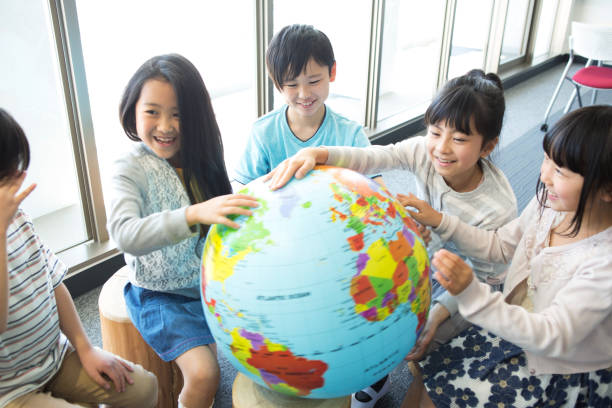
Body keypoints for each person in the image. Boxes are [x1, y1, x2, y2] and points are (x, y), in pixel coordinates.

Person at [267, 69, 518, 408]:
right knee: (367, 287)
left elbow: (485, 278)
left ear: (487, 146)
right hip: (431, 253)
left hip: (475, 287)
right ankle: (381, 375)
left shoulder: (498, 207)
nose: (441, 148)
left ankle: (417, 372)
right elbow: (374, 157)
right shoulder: (424, 152)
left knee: (423, 344)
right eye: (435, 132)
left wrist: (439, 313)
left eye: (459, 139)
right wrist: (319, 154)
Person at [398, 105, 612, 407]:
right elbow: (499, 245)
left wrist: (471, 293)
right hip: (516, 323)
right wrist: (441, 221)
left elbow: (552, 336)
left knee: (440, 391)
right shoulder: (549, 204)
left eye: (560, 171)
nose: (545, 176)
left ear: (606, 189)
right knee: (427, 372)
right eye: (546, 160)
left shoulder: (604, 264)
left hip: (558, 368)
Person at [108, 54, 258, 408]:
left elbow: (219, 220)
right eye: (152, 111)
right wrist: (191, 214)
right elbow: (123, 233)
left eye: (178, 114)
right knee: (204, 374)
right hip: (159, 295)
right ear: (132, 110)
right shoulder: (129, 167)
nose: (166, 126)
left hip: (207, 283)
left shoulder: (200, 155)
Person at [0, 108, 158, 407]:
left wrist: (85, 348)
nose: (18, 180)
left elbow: (53, 283)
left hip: (57, 358)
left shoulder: (18, 218)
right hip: (10, 391)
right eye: (7, 176)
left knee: (142, 387)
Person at [232, 24, 376, 187]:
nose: (304, 94)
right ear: (277, 83)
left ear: (332, 72)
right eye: (292, 85)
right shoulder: (263, 132)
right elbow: (244, 189)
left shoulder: (351, 134)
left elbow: (376, 188)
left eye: (314, 81)